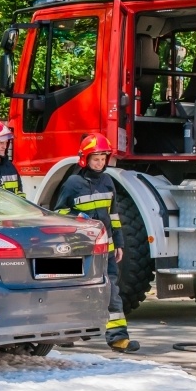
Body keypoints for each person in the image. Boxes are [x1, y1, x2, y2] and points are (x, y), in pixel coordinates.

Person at [54, 133, 140, 353]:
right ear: (85, 159)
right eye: (96, 159)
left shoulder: (108, 181)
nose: (100, 163)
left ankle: (119, 338)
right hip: (82, 250)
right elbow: (59, 212)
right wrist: (77, 218)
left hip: (106, 250)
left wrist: (119, 243)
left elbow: (114, 216)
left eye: (103, 159)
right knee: (76, 290)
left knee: (111, 291)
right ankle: (66, 333)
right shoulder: (73, 183)